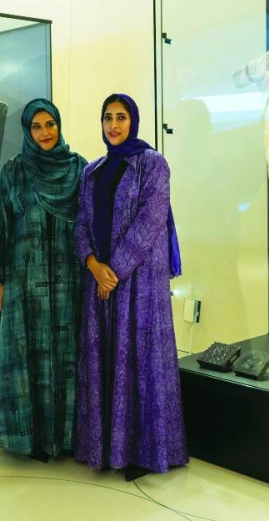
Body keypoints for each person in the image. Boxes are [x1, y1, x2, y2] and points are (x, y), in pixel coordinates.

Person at [74, 93, 187, 480]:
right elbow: (80, 222)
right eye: (107, 117)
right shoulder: (92, 170)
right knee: (105, 360)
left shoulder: (152, 164)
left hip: (139, 284)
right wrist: (93, 265)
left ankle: (145, 451)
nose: (113, 125)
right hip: (100, 283)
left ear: (133, 121)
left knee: (141, 360)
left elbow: (150, 220)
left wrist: (114, 271)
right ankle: (106, 448)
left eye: (121, 117)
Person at [0, 98, 87, 462]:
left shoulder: (79, 169)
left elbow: (91, 225)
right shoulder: (14, 172)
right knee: (26, 356)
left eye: (50, 124)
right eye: (36, 127)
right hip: (25, 282)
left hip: (70, 282)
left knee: (69, 357)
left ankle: (69, 437)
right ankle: (28, 438)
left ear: (59, 125)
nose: (45, 133)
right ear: (27, 131)